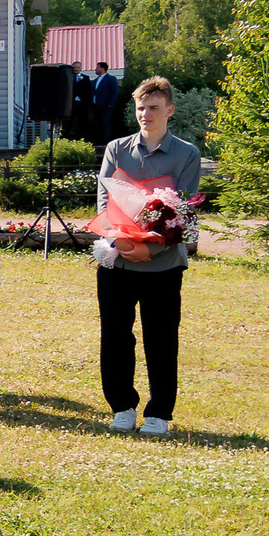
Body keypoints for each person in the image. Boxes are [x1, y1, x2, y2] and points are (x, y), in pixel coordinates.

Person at [93, 77, 205, 437]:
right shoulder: (117, 149)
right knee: (115, 335)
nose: (145, 114)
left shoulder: (186, 154)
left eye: (153, 108)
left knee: (161, 338)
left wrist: (150, 248)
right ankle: (122, 406)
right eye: (141, 108)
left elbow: (184, 212)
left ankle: (159, 413)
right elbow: (104, 199)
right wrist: (123, 243)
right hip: (118, 260)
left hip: (163, 265)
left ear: (169, 110)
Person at [90, 61, 121, 143]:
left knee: (106, 123)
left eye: (97, 68)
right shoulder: (95, 80)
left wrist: (110, 103)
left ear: (102, 68)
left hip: (106, 106)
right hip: (96, 106)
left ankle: (106, 141)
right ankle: (99, 140)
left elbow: (114, 92)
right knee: (98, 123)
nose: (95, 70)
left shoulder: (110, 79)